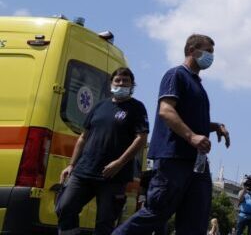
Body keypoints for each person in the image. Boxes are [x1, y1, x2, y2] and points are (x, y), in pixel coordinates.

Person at [114, 34, 231, 235]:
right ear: (193, 51)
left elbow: (191, 119)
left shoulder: (197, 84)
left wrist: (214, 126)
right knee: (156, 213)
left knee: (196, 219)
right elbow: (166, 110)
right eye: (208, 51)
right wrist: (192, 137)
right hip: (174, 159)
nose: (211, 57)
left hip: (197, 163)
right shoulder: (176, 75)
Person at [56, 67, 148, 235]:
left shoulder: (137, 108)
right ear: (111, 83)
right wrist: (71, 165)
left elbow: (141, 138)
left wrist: (119, 163)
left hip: (113, 176)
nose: (121, 84)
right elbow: (83, 137)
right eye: (117, 80)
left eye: (125, 81)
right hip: (84, 170)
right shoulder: (100, 106)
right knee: (64, 207)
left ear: (132, 85)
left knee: (105, 223)